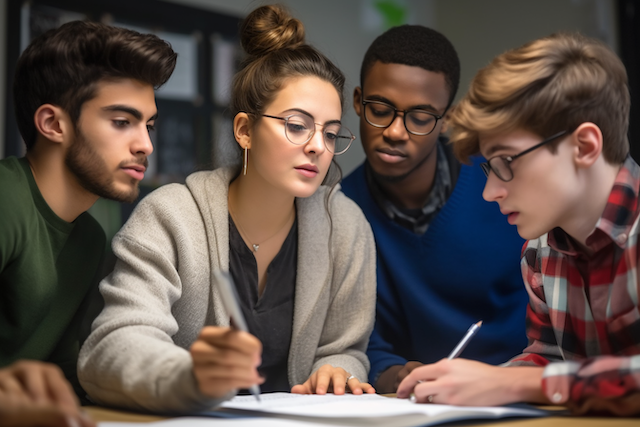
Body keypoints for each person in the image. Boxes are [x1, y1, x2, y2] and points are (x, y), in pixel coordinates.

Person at [78, 4, 376, 413]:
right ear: (244, 130)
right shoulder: (170, 218)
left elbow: (346, 349)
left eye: (330, 132)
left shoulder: (345, 225)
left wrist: (338, 370)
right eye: (296, 125)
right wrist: (189, 375)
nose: (317, 146)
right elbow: (108, 349)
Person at [397, 32, 640, 416]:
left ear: (585, 147)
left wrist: (513, 382)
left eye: (506, 162)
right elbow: (548, 361)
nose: (489, 192)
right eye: (488, 168)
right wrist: (473, 383)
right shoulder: (539, 252)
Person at [0, 20, 176, 426]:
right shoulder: (6, 201)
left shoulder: (89, 238)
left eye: (148, 125)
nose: (145, 145)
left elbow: (62, 373)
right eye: (122, 121)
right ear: (53, 124)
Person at [340, 25, 528, 393]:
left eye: (421, 117)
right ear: (358, 102)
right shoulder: (339, 211)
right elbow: (358, 336)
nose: (395, 131)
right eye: (380, 110)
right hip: (417, 402)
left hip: (519, 392)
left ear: (447, 118)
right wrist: (393, 374)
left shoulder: (503, 188)